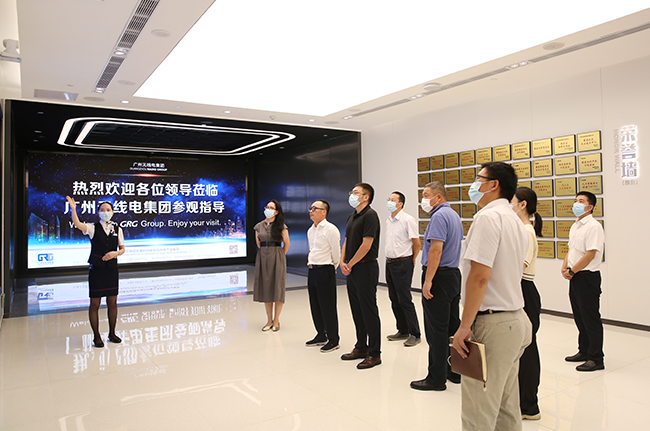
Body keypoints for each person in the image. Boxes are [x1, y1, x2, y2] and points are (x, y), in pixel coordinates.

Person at [451, 162, 532, 431]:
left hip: (493, 325)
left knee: (479, 410)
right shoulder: (515, 220)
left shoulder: (488, 217)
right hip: (516, 321)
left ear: (493, 184)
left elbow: (479, 277)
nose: (474, 185)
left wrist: (464, 326)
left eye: (479, 179)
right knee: (506, 406)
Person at [410, 181, 463, 391]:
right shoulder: (454, 215)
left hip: (439, 277)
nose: (423, 199)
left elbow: (436, 250)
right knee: (451, 326)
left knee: (436, 330)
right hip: (453, 276)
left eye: (425, 195)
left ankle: (436, 378)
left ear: (438, 197)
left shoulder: (439, 216)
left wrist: (428, 280)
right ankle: (455, 371)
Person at [66, 196, 125, 348]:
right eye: (102, 210)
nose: (105, 212)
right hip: (97, 270)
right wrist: (73, 209)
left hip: (112, 270)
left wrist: (115, 254)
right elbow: (78, 224)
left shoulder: (117, 229)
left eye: (108, 210)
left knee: (112, 303)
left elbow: (122, 249)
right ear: (98, 212)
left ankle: (112, 333)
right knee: (95, 303)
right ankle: (96, 336)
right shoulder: (93, 228)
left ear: (112, 212)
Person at [561, 191, 605, 372]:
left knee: (590, 318)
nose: (576, 204)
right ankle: (584, 351)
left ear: (590, 207)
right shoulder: (575, 226)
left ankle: (596, 358)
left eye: (581, 201)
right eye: (575, 200)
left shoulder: (594, 227)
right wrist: (565, 267)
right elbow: (571, 250)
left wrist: (573, 270)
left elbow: (590, 254)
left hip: (587, 277)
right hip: (576, 276)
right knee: (579, 316)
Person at [340, 183, 382, 369]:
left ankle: (375, 354)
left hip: (366, 267)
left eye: (356, 193)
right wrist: (342, 261)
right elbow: (347, 241)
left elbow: (366, 245)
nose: (352, 195)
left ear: (366, 197)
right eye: (352, 192)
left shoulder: (370, 215)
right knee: (357, 310)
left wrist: (350, 264)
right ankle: (361, 347)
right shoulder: (352, 216)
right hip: (352, 268)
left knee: (369, 311)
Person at [511, 187, 543, 420]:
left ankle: (529, 405)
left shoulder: (526, 232)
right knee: (521, 348)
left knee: (527, 349)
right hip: (519, 288)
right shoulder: (521, 230)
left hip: (524, 289)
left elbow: (518, 267)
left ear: (522, 204)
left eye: (511, 201)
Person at [384, 191, 421, 347]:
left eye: (393, 199)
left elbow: (417, 244)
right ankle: (403, 330)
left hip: (403, 263)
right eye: (389, 199)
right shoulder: (389, 220)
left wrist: (411, 259)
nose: (389, 201)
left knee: (404, 299)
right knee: (394, 298)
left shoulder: (408, 220)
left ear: (400, 204)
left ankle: (415, 333)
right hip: (390, 263)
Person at [305, 199, 341, 353]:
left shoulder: (331, 229)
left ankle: (333, 339)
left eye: (315, 208)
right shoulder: (310, 230)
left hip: (325, 270)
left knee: (328, 306)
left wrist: (333, 267)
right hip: (312, 270)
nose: (311, 211)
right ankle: (321, 334)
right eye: (310, 208)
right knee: (315, 304)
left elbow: (336, 252)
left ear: (324, 212)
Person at [254, 200, 290, 332]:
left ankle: (276, 320)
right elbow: (259, 244)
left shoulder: (281, 226)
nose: (268, 209)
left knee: (278, 288)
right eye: (267, 207)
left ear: (276, 212)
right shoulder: (258, 226)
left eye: (271, 208)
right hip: (263, 257)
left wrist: (279, 256)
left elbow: (287, 244)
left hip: (277, 257)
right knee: (266, 288)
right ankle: (269, 320)